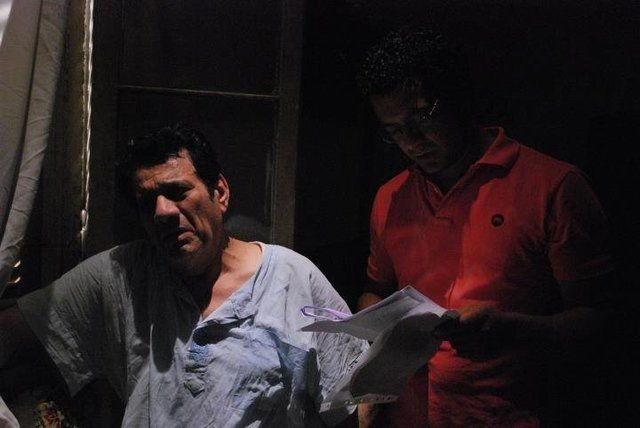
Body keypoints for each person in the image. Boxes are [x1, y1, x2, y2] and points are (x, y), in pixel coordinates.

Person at [0, 123, 367, 426]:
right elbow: (13, 330)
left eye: (177, 192)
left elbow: (356, 402)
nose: (163, 212)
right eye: (148, 202)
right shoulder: (124, 275)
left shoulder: (291, 279)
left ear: (219, 192)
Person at [356, 27, 616, 426]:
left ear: (461, 100)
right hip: (409, 416)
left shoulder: (553, 186)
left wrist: (513, 329)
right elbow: (376, 288)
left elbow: (599, 320)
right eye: (394, 131)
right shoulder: (390, 197)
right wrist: (376, 327)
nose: (411, 142)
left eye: (422, 117)